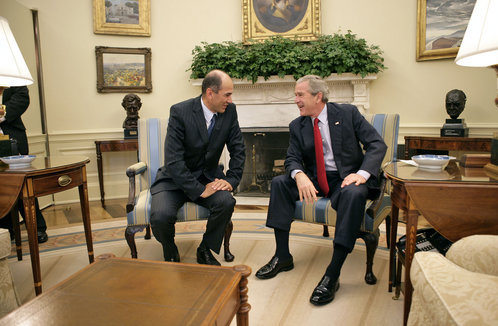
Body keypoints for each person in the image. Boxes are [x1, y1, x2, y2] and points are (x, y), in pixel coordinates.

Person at [255, 75, 387, 306]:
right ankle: (282, 256)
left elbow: (377, 144)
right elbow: (292, 158)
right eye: (295, 94)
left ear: (318, 96)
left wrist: (362, 174)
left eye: (300, 95)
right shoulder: (298, 125)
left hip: (346, 179)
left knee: (355, 193)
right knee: (279, 183)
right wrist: (300, 175)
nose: (295, 99)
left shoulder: (347, 114)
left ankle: (332, 274)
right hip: (315, 179)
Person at [150, 70, 245, 265]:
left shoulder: (230, 112)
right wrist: (200, 191)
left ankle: (205, 249)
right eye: (227, 94)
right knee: (160, 216)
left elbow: (238, 150)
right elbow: (174, 160)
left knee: (226, 202)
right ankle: (169, 249)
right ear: (210, 93)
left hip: (207, 177)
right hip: (174, 180)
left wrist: (231, 180)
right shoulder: (180, 112)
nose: (230, 99)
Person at [0, 86, 48, 243]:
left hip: (13, 135)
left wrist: (2, 113)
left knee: (21, 183)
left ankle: (36, 227)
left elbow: (22, 98)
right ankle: (7, 230)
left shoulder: (12, 74)